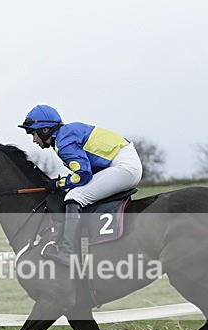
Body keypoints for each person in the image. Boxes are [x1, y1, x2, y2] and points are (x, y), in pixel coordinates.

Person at [18, 104, 143, 266]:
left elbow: (83, 174)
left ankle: (67, 252)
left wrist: (59, 184)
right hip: (124, 162)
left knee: (74, 196)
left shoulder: (63, 142)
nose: (34, 140)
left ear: (45, 130)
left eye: (33, 133)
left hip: (124, 166)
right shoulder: (67, 134)